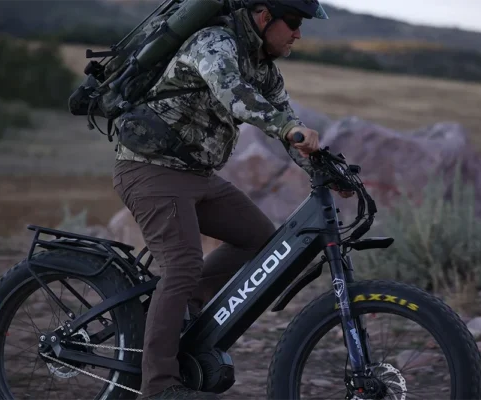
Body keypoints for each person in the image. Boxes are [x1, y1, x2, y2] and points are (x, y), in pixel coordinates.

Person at [112, 0, 349, 398]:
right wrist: (289, 126)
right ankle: (159, 385)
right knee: (182, 265)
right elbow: (233, 93)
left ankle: (185, 313)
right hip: (150, 169)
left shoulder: (265, 70)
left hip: (197, 176)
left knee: (260, 238)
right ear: (262, 16)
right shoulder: (213, 42)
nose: (298, 33)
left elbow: (285, 123)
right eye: (292, 22)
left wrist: (323, 168)